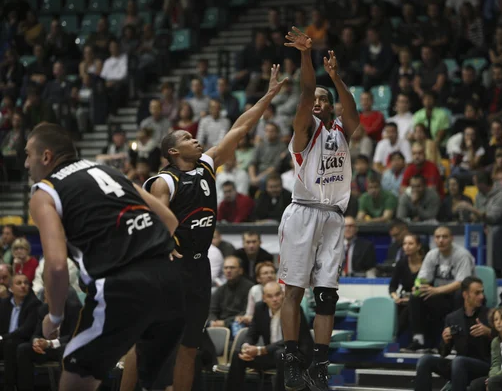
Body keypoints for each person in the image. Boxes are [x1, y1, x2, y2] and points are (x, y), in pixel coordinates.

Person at [133, 65, 288, 391]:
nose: (196, 139)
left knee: (190, 345)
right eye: (188, 138)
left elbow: (241, 126)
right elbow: (149, 219)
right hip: (170, 268)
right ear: (173, 151)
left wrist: (269, 95)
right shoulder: (164, 181)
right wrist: (163, 245)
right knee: (153, 342)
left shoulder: (207, 164)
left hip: (199, 266)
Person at [24, 123, 184, 391]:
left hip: (120, 288)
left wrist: (54, 317)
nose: (26, 163)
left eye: (28, 154)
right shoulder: (108, 170)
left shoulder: (45, 192)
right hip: (169, 281)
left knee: (75, 376)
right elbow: (169, 219)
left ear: (46, 156)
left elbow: (56, 265)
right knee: (157, 385)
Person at [279, 27, 360, 391]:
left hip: (333, 216)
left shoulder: (342, 130)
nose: (317, 102)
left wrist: (336, 78)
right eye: (314, 99)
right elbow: (306, 91)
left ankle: (319, 365)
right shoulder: (302, 132)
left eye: (324, 100)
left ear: (330, 106)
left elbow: (353, 113)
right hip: (302, 211)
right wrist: (306, 57)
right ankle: (292, 359)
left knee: (326, 296)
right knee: (294, 291)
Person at [225, 282, 313, 391]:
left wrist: (261, 350)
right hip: (272, 354)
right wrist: (246, 346)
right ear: (264, 298)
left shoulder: (294, 309)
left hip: (296, 355)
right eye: (270, 296)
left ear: (283, 295)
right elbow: (252, 333)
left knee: (281, 354)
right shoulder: (259, 308)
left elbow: (290, 340)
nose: (275, 299)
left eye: (277, 295)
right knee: (238, 354)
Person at [404, 226, 475, 352]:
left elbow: (462, 283)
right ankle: (419, 340)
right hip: (441, 296)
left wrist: (436, 290)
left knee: (460, 294)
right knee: (415, 296)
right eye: (438, 237)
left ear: (452, 238)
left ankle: (456, 341)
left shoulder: (462, 255)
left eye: (445, 237)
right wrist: (418, 287)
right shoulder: (432, 255)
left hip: (463, 296)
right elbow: (423, 278)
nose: (441, 240)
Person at [414, 277, 491, 391]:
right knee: (425, 360)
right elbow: (443, 353)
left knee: (459, 361)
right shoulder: (453, 318)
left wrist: (488, 332)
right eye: (477, 293)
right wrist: (445, 341)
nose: (481, 296)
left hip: (484, 365)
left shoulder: (490, 314)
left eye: (482, 292)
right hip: (459, 367)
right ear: (465, 295)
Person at [388, 233, 424, 336]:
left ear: (418, 246)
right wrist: (395, 297)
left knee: (409, 308)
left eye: (410, 244)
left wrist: (410, 299)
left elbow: (430, 286)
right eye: (404, 244)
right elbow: (392, 286)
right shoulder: (401, 263)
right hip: (402, 299)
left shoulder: (426, 262)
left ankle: (395, 336)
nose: (406, 247)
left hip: (420, 298)